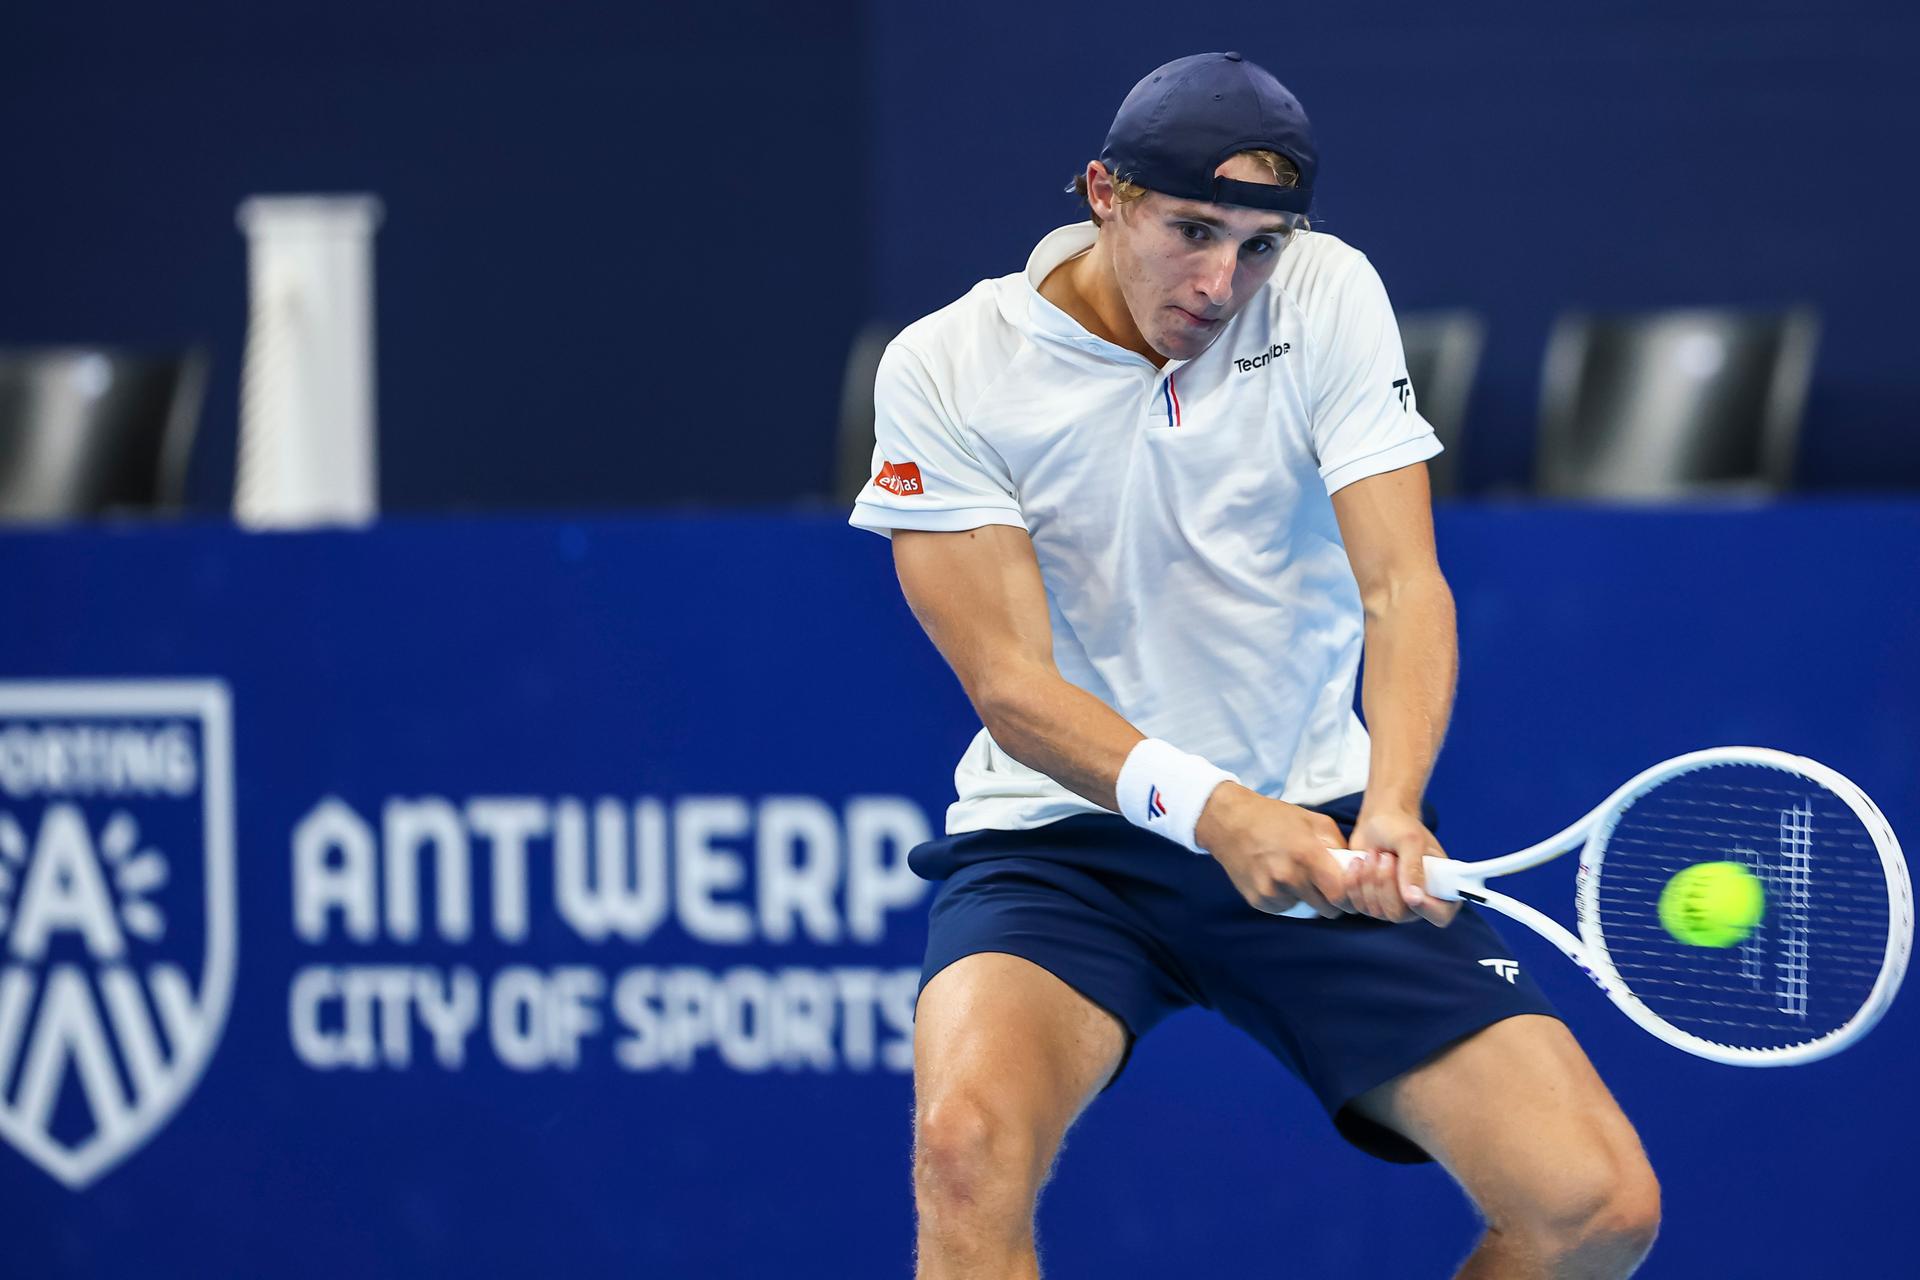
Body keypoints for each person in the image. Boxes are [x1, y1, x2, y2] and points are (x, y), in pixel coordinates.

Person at [849, 52, 1660, 1280]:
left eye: (1262, 243)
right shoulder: (946, 366)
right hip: (1069, 845)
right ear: (1103, 193)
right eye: (1191, 230)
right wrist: (1216, 809)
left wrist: (1391, 802)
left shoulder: (1328, 295)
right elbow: (1010, 686)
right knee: (965, 1148)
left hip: (1319, 819)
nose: (1225, 282)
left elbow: (1403, 585)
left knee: (1596, 1207)